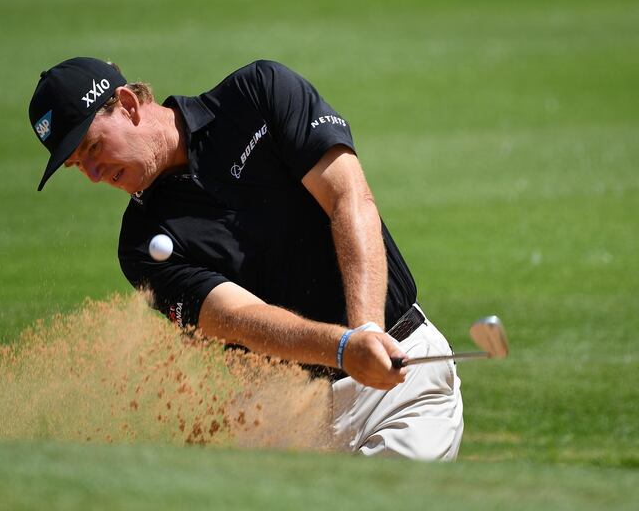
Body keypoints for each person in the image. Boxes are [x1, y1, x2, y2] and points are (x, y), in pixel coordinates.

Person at [27, 57, 464, 459]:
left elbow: (347, 197)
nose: (94, 175)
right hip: (285, 412)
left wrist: (366, 331)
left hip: (401, 382)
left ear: (126, 105)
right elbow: (236, 319)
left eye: (93, 148)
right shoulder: (141, 245)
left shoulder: (258, 94)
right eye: (78, 167)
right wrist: (344, 347)